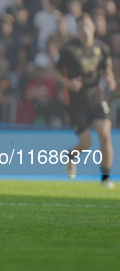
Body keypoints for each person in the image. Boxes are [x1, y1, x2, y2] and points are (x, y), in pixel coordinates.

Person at [51, 13, 116, 188]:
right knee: (86, 143)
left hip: (96, 97)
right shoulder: (68, 50)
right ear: (77, 30)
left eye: (87, 26)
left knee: (105, 135)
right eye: (80, 27)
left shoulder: (102, 48)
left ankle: (105, 178)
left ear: (93, 27)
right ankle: (70, 156)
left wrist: (110, 79)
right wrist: (67, 83)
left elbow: (107, 70)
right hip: (76, 101)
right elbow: (53, 69)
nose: (84, 30)